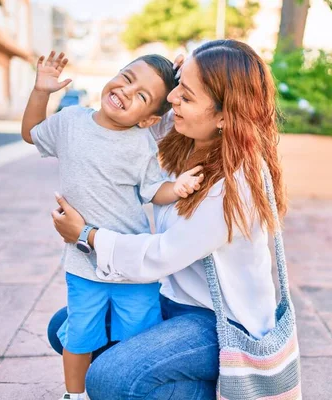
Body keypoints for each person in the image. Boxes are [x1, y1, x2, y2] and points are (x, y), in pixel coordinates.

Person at [49, 39, 288, 399]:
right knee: (63, 329)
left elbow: (162, 253)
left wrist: (87, 235)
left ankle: (204, 390)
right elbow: (143, 119)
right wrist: (167, 80)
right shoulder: (188, 141)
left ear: (225, 116)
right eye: (178, 88)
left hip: (215, 320)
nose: (174, 99)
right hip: (171, 298)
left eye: (186, 96)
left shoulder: (236, 182)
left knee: (108, 378)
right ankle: (174, 382)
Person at [21, 51, 204, 400]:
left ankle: (125, 385)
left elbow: (154, 191)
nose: (126, 91)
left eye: (142, 96)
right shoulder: (71, 120)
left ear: (150, 120)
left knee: (137, 336)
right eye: (127, 77)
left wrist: (177, 188)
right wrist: (42, 91)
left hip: (132, 269)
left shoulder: (142, 144)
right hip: (82, 262)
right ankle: (74, 396)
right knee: (79, 334)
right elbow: (31, 133)